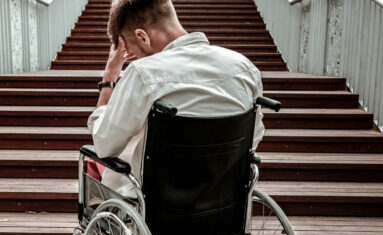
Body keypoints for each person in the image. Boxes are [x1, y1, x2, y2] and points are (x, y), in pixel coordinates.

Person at [87, 0, 265, 198]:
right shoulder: (245, 68)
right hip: (220, 198)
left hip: (155, 203)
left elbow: (104, 144)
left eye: (134, 54)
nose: (136, 60)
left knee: (93, 163)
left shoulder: (144, 74)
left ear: (142, 36)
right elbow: (253, 138)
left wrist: (109, 77)